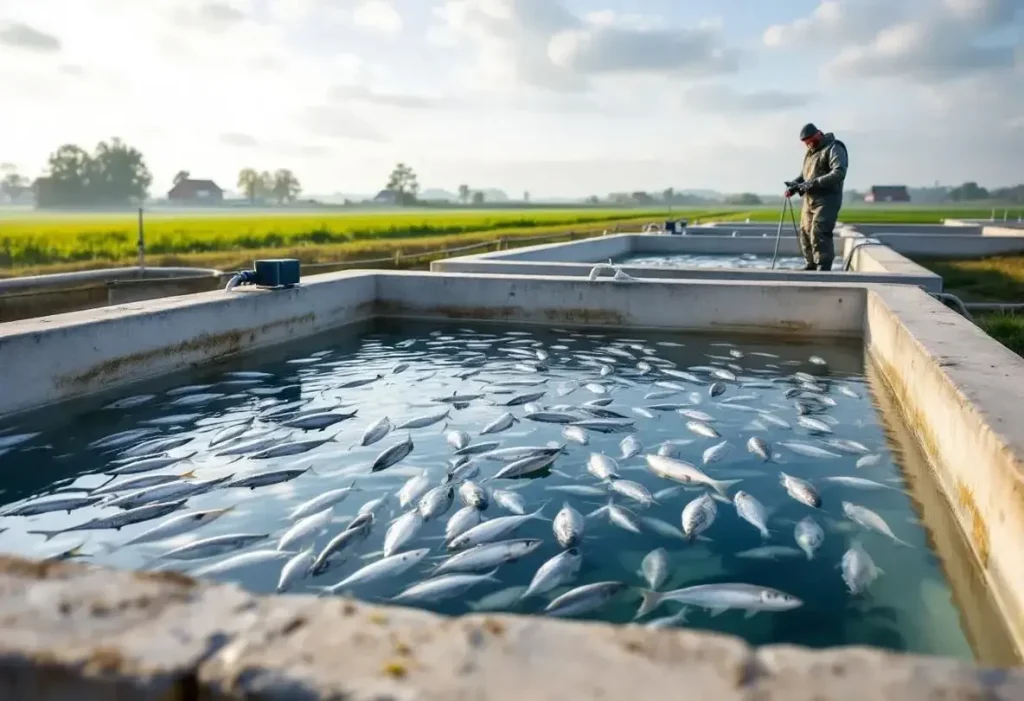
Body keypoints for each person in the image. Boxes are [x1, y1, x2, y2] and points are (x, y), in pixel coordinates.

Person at [784, 123, 848, 271]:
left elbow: (839, 172)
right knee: (805, 232)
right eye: (806, 143)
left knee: (819, 232)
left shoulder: (834, 148)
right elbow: (804, 176)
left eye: (810, 141)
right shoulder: (811, 152)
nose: (808, 145)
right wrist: (794, 186)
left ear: (819, 134)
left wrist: (813, 183)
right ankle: (810, 265)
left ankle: (823, 267)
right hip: (809, 199)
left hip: (827, 199)